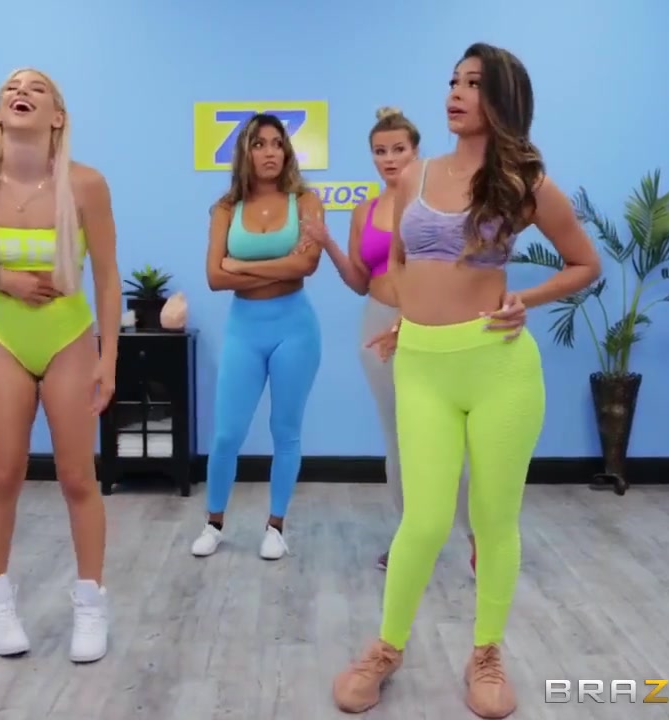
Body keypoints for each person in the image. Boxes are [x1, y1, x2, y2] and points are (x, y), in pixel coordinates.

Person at [331, 44, 602, 718]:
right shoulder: (414, 176)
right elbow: (399, 261)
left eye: (473, 83)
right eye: (453, 80)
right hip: (422, 365)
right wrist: (407, 317)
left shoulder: (523, 181)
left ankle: (486, 651)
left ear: (502, 97)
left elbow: (584, 264)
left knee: (492, 519)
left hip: (498, 367)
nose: (455, 92)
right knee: (423, 521)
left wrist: (524, 300)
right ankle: (387, 647)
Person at [0, 68, 121, 664]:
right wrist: (8, 280)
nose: (20, 91)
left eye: (36, 88)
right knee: (3, 475)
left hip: (69, 338)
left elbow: (108, 277)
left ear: (57, 116)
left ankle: (91, 604)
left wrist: (108, 358)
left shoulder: (86, 184)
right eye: (10, 88)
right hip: (6, 338)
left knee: (77, 477)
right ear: (0, 112)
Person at [315, 106, 478, 573]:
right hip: (377, 324)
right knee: (398, 437)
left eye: (398, 149)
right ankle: (412, 538)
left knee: (450, 439)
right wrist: (328, 243)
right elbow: (359, 281)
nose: (389, 159)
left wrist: (411, 319)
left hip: (429, 322)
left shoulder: (434, 204)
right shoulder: (364, 211)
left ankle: (477, 539)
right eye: (380, 151)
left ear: (416, 151)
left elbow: (452, 269)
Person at [190, 113, 325, 561]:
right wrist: (276, 267)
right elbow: (214, 277)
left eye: (277, 143)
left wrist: (241, 266)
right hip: (244, 330)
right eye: (259, 144)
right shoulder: (225, 208)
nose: (270, 152)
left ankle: (276, 527)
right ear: (245, 153)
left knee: (285, 430)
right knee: (227, 434)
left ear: (287, 151)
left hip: (295, 329)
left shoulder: (306, 201)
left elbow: (306, 265)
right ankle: (213, 523)